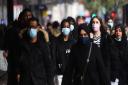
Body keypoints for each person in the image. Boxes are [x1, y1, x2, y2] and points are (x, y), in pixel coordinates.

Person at [18, 17, 53, 85]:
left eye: (34, 27)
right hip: (25, 80)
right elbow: (18, 62)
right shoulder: (22, 45)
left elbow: (48, 65)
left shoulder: (43, 46)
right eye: (30, 27)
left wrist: (50, 82)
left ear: (37, 29)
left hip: (40, 80)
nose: (32, 29)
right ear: (27, 28)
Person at [4, 8, 33, 85]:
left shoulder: (34, 30)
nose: (28, 18)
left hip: (30, 66)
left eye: (30, 15)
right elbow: (9, 48)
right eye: (26, 16)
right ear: (21, 17)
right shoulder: (13, 30)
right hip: (15, 64)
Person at [50, 19, 76, 85]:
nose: (66, 28)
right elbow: (53, 58)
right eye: (64, 26)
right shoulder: (55, 42)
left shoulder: (73, 42)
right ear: (61, 28)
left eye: (68, 27)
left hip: (72, 75)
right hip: (59, 74)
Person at [88, 16, 112, 82]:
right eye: (93, 22)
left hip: (103, 69)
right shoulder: (87, 36)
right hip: (92, 70)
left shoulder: (106, 37)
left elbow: (108, 56)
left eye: (97, 22)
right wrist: (90, 39)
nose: (94, 24)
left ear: (100, 24)